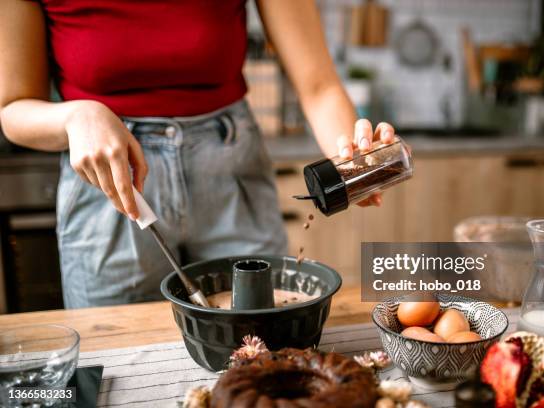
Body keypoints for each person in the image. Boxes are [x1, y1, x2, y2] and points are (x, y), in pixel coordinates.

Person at [0, 0, 397, 308]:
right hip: (111, 188)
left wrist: (354, 155)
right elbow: (13, 109)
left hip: (231, 175)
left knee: (259, 352)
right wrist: (76, 116)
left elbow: (318, 85)